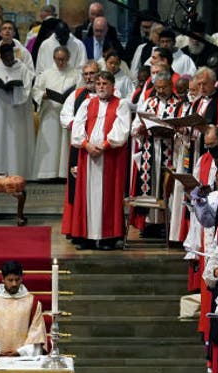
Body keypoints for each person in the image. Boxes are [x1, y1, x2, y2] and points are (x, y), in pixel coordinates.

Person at [62, 70, 131, 249]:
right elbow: (77, 127)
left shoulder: (121, 104)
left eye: (105, 84)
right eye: (99, 84)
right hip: (88, 156)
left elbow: (121, 130)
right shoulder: (87, 103)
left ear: (112, 86)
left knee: (109, 196)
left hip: (109, 157)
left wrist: (104, 146)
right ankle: (86, 237)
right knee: (86, 196)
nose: (101, 87)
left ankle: (108, 237)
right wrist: (86, 145)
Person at [0, 260, 48, 356]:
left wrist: (21, 352)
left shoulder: (32, 302)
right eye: (10, 280)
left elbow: (37, 335)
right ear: (2, 279)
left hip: (23, 359)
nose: (14, 284)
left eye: (17, 279)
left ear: (22, 278)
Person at [32, 52, 87, 181]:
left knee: (64, 144)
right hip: (50, 113)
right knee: (51, 144)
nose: (61, 62)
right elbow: (36, 90)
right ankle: (46, 173)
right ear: (54, 58)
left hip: (67, 113)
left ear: (68, 58)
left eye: (63, 60)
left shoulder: (75, 74)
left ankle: (63, 173)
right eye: (58, 59)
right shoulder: (46, 74)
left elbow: (80, 91)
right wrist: (42, 95)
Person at [0, 43, 34, 177]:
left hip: (15, 111)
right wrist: (2, 88)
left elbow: (27, 88)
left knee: (15, 140)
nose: (9, 60)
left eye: (11, 57)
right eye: (6, 58)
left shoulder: (22, 68)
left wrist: (15, 90)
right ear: (1, 57)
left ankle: (17, 171)